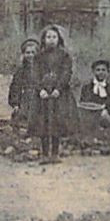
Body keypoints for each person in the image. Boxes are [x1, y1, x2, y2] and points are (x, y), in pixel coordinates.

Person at [32, 24, 74, 161]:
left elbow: (66, 72)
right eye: (48, 37)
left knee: (57, 122)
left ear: (59, 39)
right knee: (43, 123)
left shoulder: (65, 55)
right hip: (43, 95)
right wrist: (40, 89)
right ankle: (44, 153)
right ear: (43, 39)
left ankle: (55, 153)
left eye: (54, 37)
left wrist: (58, 89)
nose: (51, 40)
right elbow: (35, 74)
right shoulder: (38, 56)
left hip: (59, 95)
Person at [8, 37, 39, 126]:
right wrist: (15, 104)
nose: (31, 55)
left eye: (33, 52)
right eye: (28, 53)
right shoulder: (21, 71)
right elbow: (15, 87)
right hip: (26, 99)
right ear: (23, 54)